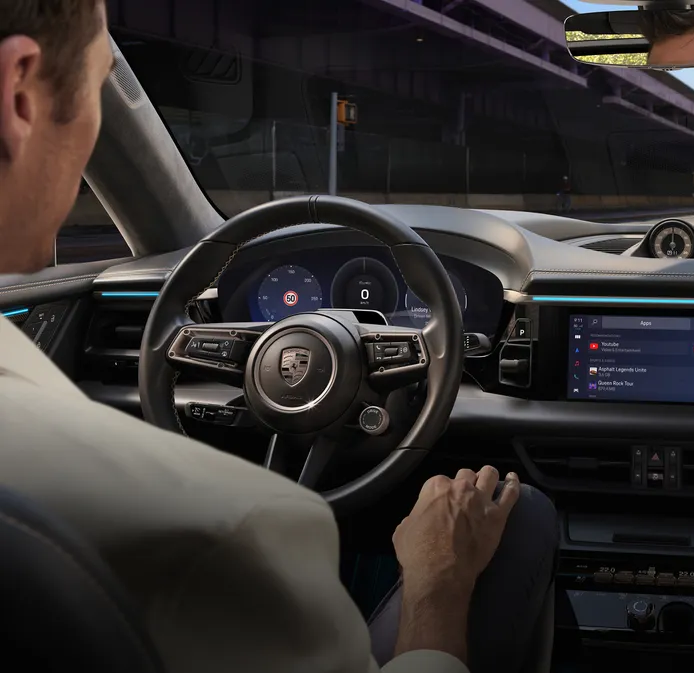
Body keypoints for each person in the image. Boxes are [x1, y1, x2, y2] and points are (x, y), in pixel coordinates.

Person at [0, 3, 557, 673]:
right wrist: (440, 579)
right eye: (99, 81)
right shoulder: (234, 523)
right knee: (520, 514)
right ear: (20, 94)